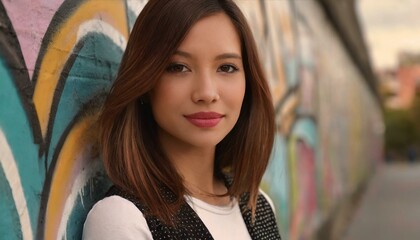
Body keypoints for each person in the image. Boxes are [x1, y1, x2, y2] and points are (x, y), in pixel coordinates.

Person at [82, 0, 281, 239]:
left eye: (227, 67)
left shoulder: (259, 207)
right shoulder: (123, 218)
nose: (207, 93)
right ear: (146, 81)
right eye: (178, 67)